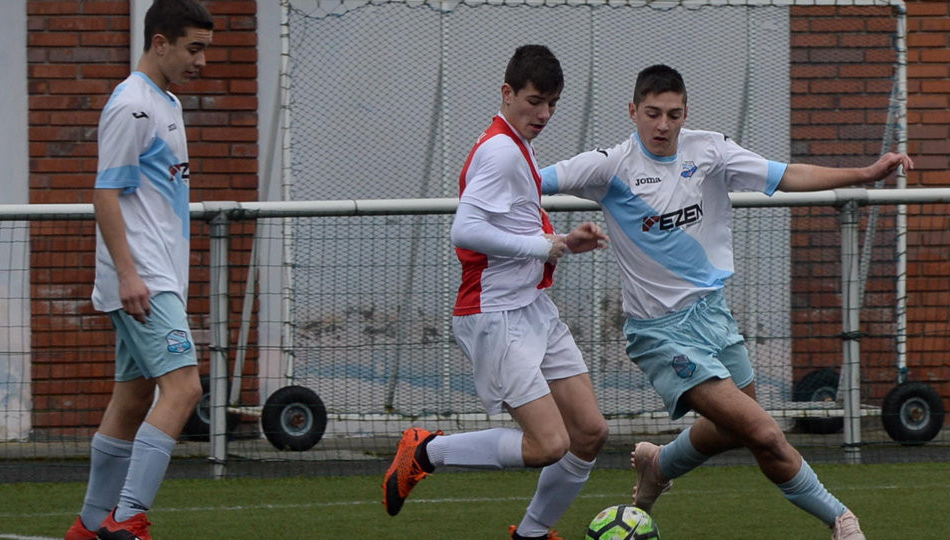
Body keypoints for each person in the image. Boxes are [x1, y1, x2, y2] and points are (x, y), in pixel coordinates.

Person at [539, 64, 914, 540]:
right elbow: (532, 182)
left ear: (685, 113)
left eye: (673, 114)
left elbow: (786, 174)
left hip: (713, 315)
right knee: (763, 432)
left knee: (735, 428)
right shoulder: (609, 166)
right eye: (652, 113)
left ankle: (659, 463)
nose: (662, 126)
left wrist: (866, 171)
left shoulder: (709, 151)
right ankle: (842, 521)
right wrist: (548, 238)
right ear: (633, 111)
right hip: (660, 333)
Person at [381, 45, 610, 540]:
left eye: (552, 103)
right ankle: (426, 451)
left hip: (531, 308)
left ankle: (530, 534)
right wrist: (548, 244)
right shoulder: (501, 149)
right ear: (507, 93)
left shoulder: (518, 143)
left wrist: (561, 243)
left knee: (589, 432)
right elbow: (464, 229)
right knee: (549, 443)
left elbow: (513, 225)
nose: (544, 113)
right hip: (496, 315)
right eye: (534, 101)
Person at [64, 1, 213, 539]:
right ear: (160, 42)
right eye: (194, 49)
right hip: (144, 278)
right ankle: (126, 520)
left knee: (131, 399)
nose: (202, 62)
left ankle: (88, 525)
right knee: (184, 390)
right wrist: (128, 275)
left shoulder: (165, 102)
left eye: (206, 50)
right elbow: (105, 193)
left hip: (156, 276)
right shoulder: (132, 106)